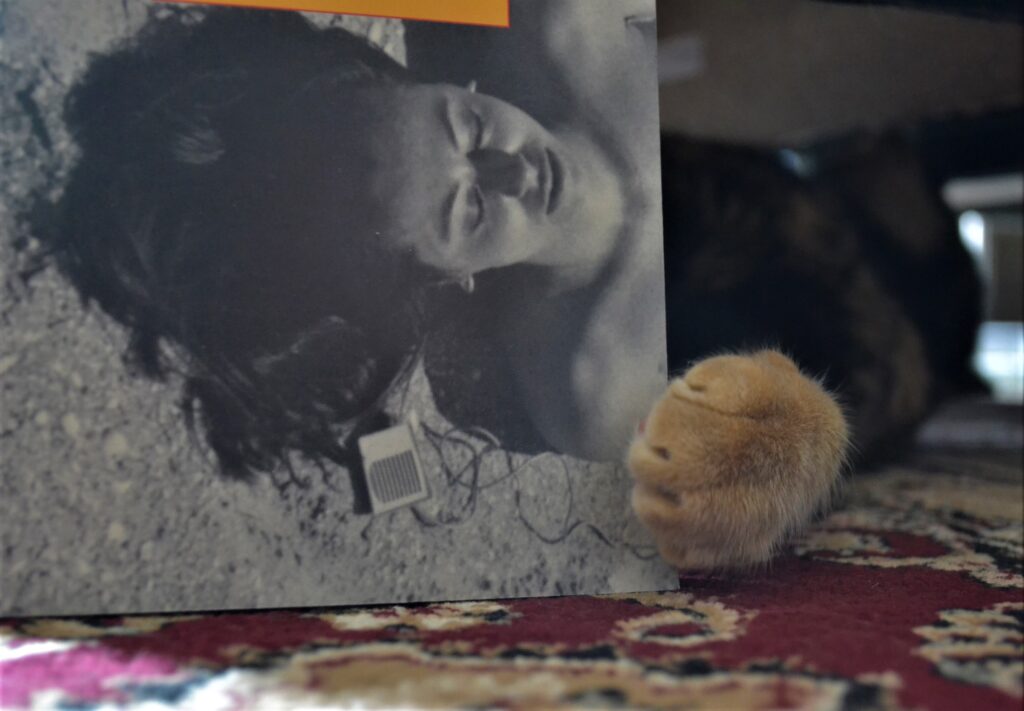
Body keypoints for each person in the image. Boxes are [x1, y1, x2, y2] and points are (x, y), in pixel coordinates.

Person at [32, 3, 667, 480]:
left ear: (459, 89)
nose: (518, 172)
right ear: (453, 275)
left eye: (470, 128)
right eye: (470, 210)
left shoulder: (566, 21)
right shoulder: (598, 389)